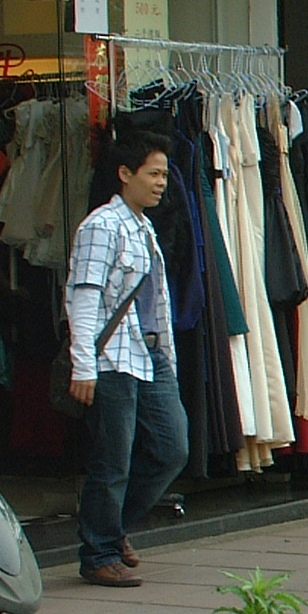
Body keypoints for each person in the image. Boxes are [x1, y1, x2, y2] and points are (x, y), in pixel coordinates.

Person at [69, 128, 190, 589]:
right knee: (112, 459)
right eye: (153, 174)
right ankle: (98, 552)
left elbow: (155, 302)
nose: (161, 183)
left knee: (172, 447)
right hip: (111, 357)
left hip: (148, 352)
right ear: (125, 174)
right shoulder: (101, 227)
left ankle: (111, 529)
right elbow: (84, 299)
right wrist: (84, 365)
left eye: (164, 175)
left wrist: (167, 358)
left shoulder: (144, 227)